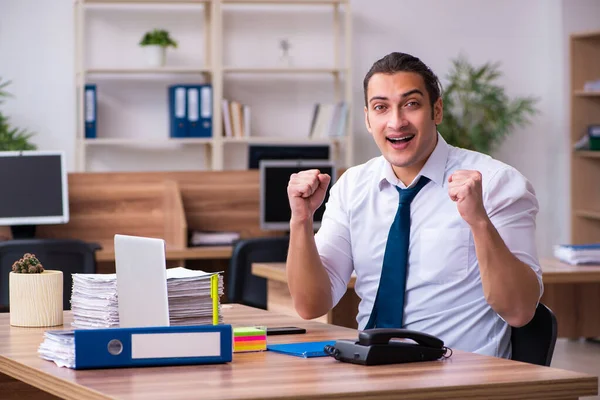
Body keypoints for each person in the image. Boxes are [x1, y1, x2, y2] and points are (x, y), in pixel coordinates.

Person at [285, 52, 542, 358]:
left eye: (411, 104)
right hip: (370, 371)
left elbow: (520, 311)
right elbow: (310, 304)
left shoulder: (497, 183)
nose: (396, 122)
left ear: (436, 110)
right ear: (368, 119)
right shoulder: (352, 187)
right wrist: (300, 220)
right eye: (381, 108)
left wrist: (479, 222)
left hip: (462, 379)